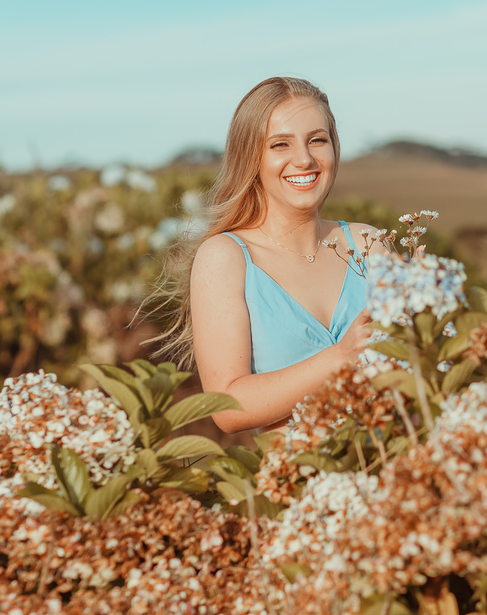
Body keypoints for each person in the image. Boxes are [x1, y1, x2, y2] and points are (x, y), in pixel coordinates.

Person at [155, 77, 378, 432]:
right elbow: (228, 409)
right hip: (299, 482)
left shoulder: (369, 244)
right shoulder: (225, 258)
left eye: (317, 140)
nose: (304, 159)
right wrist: (340, 358)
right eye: (280, 145)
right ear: (251, 156)